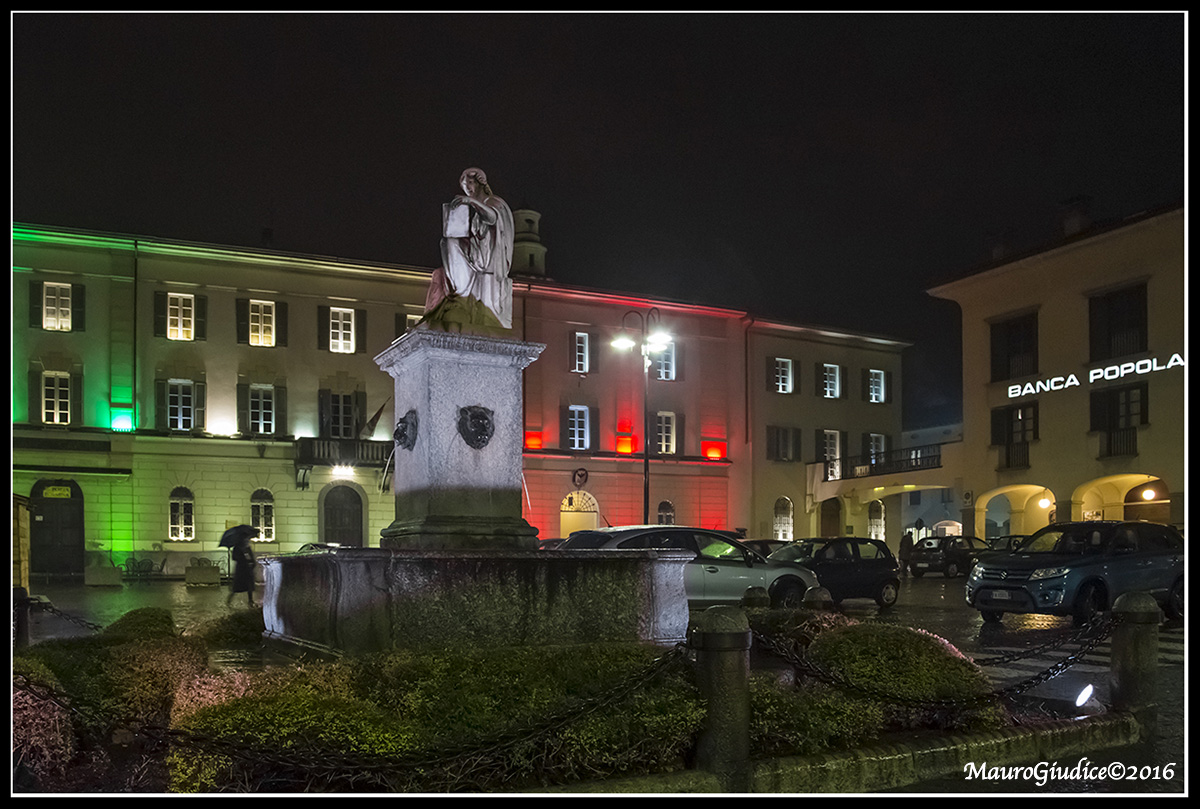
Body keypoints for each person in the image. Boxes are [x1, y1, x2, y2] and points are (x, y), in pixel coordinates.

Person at [423, 167, 515, 329]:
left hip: (488, 259)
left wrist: (471, 202)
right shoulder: (477, 209)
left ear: (481, 183)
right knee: (445, 247)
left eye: (470, 183)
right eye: (465, 187)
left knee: (452, 243)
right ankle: (452, 300)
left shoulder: (494, 202)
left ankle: (462, 295)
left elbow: (492, 217)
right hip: (477, 256)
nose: (468, 189)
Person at [226, 532, 258, 608]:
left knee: (249, 586)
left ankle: (250, 601)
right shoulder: (237, 547)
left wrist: (252, 563)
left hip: (247, 568)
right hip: (241, 569)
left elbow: (251, 557)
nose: (247, 540)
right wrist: (242, 555)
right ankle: (229, 600)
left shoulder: (247, 547)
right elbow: (234, 557)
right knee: (237, 586)